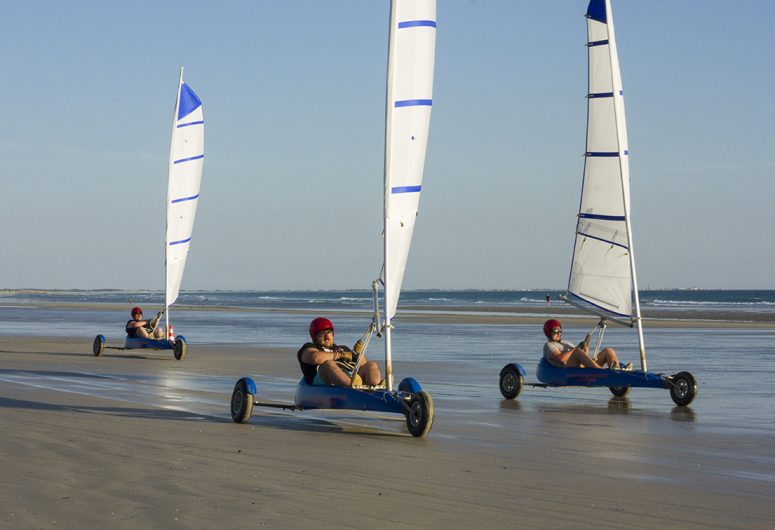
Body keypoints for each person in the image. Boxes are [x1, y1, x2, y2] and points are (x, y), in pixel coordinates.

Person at [298, 317, 382, 387]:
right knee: (328, 364)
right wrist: (339, 355)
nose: (327, 336)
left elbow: (362, 365)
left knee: (371, 365)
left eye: (329, 332)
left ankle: (374, 387)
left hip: (350, 375)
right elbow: (315, 358)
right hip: (322, 382)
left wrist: (360, 353)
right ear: (315, 336)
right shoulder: (309, 347)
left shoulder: (342, 348)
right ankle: (351, 387)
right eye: (322, 333)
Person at [542, 319, 630, 370]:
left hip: (581, 365)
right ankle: (601, 371)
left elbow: (584, 354)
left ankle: (617, 370)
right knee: (577, 351)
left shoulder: (565, 343)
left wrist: (586, 345)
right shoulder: (549, 345)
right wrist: (577, 348)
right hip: (568, 369)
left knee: (608, 350)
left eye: (560, 331)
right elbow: (561, 359)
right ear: (548, 332)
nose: (559, 333)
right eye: (555, 331)